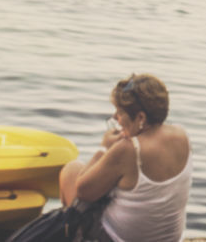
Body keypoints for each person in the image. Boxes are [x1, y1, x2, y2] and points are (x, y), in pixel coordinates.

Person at [59, 74, 192, 242]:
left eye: (120, 112)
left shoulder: (129, 150)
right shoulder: (182, 135)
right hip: (168, 239)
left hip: (117, 238)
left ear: (141, 118)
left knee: (71, 171)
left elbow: (83, 192)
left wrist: (104, 147)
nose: (115, 118)